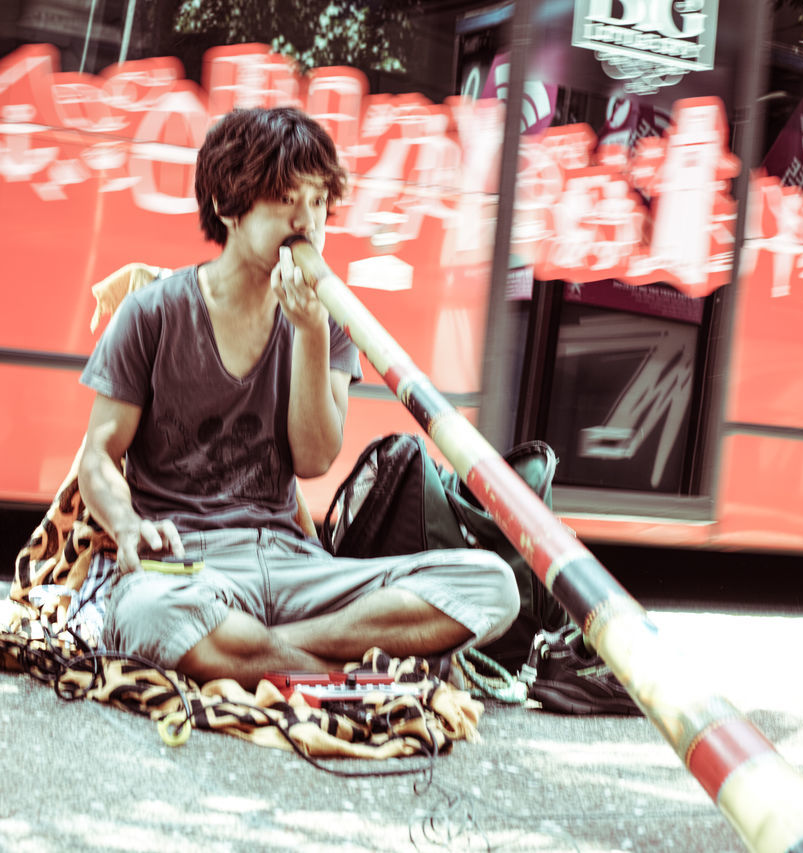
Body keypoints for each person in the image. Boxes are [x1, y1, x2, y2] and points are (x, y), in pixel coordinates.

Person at [77, 106, 517, 690]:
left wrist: (309, 333)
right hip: (192, 563)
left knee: (493, 585)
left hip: (294, 564)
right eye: (287, 198)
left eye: (319, 203)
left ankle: (264, 654)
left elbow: (312, 459)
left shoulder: (328, 320)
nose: (308, 221)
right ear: (228, 207)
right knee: (147, 614)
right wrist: (129, 526)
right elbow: (98, 456)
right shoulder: (153, 313)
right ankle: (353, 666)